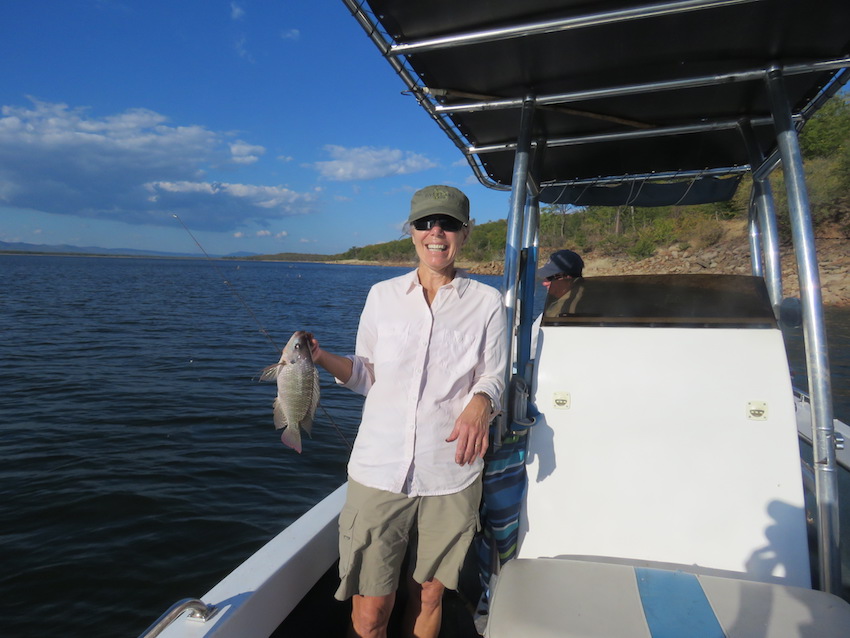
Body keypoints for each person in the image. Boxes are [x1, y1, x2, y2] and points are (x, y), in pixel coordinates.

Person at [308, 185, 507, 638]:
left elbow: (495, 375)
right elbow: (365, 374)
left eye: (449, 224)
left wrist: (482, 401)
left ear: (465, 233)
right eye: (425, 223)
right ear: (411, 231)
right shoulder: (382, 296)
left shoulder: (487, 302)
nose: (436, 232)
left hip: (450, 472)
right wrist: (321, 357)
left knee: (431, 595)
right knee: (370, 610)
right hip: (378, 471)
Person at [530, 249, 584, 356]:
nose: (544, 283)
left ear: (568, 278)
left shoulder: (562, 308)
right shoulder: (584, 297)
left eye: (550, 278)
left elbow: (530, 349)